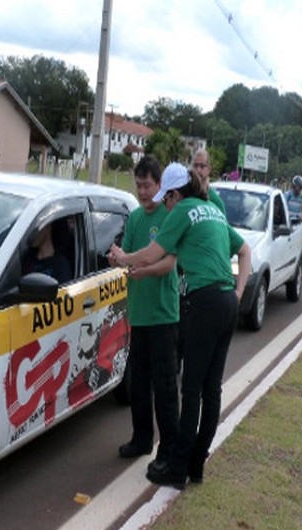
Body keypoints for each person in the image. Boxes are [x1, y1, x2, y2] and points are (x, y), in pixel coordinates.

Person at [109, 163, 252, 489]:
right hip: (227, 299)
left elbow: (153, 255)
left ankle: (176, 470)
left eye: (165, 196)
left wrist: (123, 258)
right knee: (211, 390)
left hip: (203, 303)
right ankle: (196, 465)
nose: (165, 204)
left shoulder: (183, 210)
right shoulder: (210, 210)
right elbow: (244, 251)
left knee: (189, 391)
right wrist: (239, 292)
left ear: (174, 193)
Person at [110, 156, 180, 463]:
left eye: (147, 185)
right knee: (138, 384)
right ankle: (141, 440)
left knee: (165, 387)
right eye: (138, 185)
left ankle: (169, 449)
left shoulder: (169, 216)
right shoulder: (136, 218)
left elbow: (168, 263)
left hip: (164, 316)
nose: (142, 191)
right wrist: (119, 259)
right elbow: (127, 256)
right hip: (138, 314)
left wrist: (135, 264)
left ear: (159, 185)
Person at [191, 149, 226, 215]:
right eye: (195, 166)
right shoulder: (185, 196)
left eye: (202, 166)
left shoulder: (216, 202)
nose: (198, 170)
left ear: (209, 169)